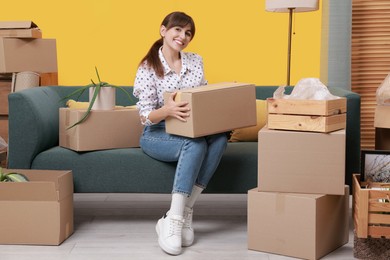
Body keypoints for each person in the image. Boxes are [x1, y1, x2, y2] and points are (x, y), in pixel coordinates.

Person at [133, 11, 227, 255]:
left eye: (188, 33)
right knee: (194, 145)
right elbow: (144, 115)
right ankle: (174, 220)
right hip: (157, 132)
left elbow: (203, 97)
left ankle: (183, 212)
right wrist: (167, 110)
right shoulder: (147, 67)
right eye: (177, 30)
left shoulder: (196, 60)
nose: (183, 36)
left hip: (192, 128)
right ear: (163, 30)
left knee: (218, 138)